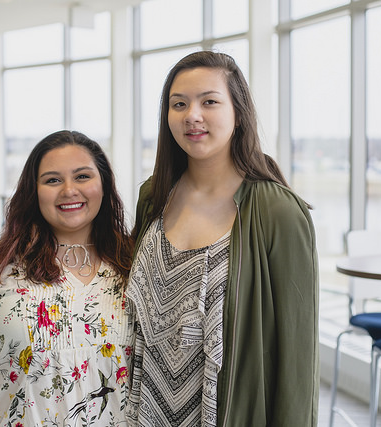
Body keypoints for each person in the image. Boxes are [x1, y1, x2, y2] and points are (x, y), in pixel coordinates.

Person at [126, 50, 319, 427]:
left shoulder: (277, 212)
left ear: (239, 112)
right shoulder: (153, 196)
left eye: (209, 102)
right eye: (178, 104)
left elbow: (298, 360)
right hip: (140, 410)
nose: (191, 115)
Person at [0, 130, 134, 426]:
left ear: (104, 185)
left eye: (82, 176)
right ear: (34, 191)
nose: (69, 190)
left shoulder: (132, 265)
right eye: (52, 180)